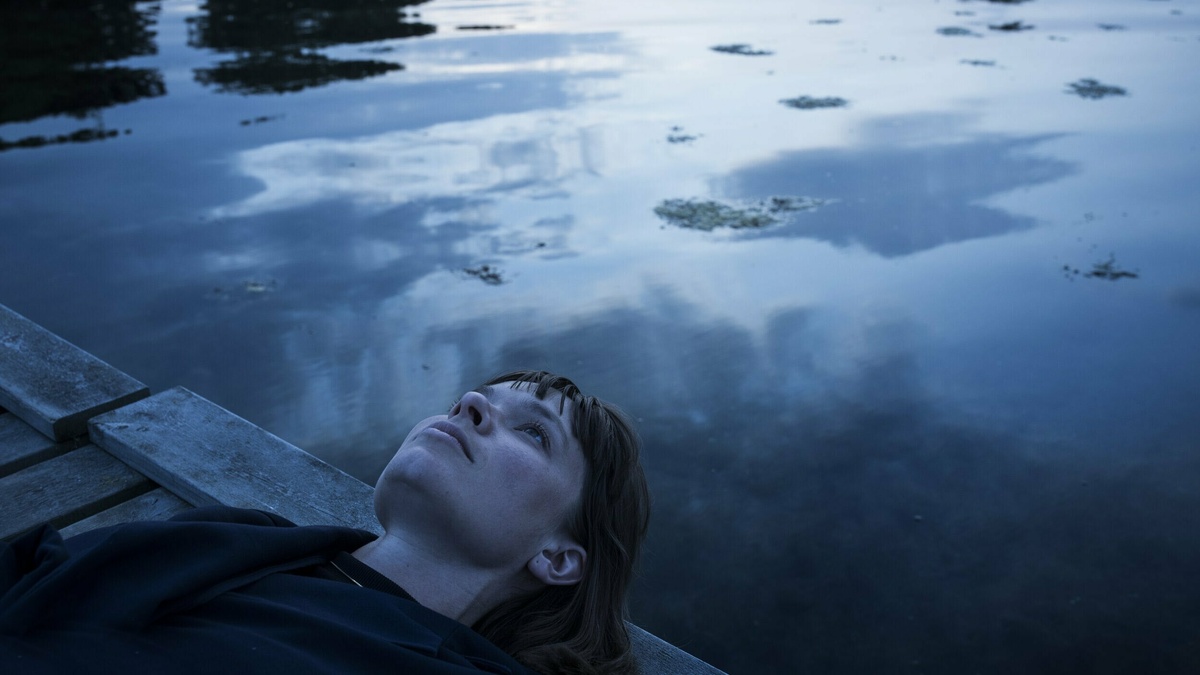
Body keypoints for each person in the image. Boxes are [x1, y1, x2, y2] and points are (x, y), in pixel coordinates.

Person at [0, 370, 651, 674]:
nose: (472, 402)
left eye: (534, 432)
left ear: (561, 555)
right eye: (475, 399)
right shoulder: (246, 536)